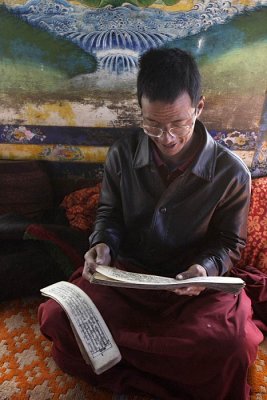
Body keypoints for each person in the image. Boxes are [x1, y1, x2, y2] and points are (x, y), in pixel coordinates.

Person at [38, 48, 265, 400]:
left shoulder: (231, 173)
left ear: (199, 108)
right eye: (153, 124)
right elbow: (109, 214)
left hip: (193, 291)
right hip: (130, 277)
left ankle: (136, 378)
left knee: (230, 346)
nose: (167, 137)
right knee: (57, 316)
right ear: (140, 110)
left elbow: (229, 242)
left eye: (179, 123)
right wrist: (102, 245)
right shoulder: (123, 154)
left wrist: (204, 269)